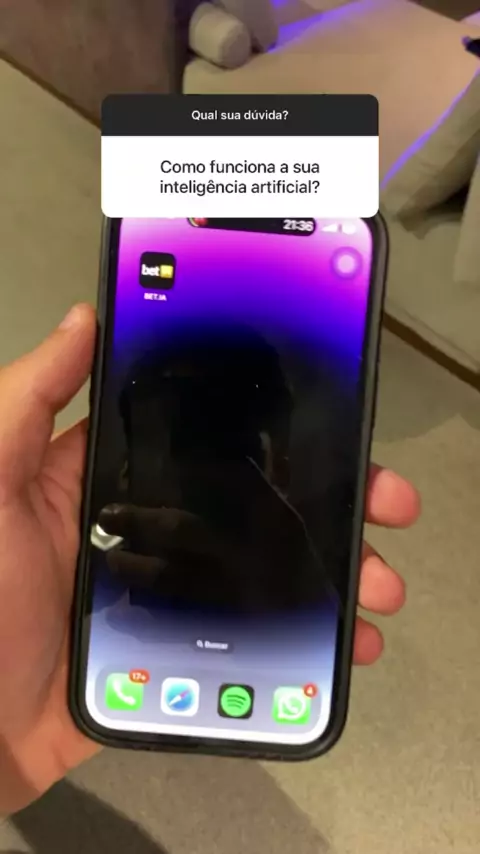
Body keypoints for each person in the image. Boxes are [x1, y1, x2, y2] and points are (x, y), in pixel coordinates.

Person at [0, 304, 421, 816]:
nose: (199, 468)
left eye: (222, 437)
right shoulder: (90, 563)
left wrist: (301, 614)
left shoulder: (296, 566)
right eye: (176, 437)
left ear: (278, 461)